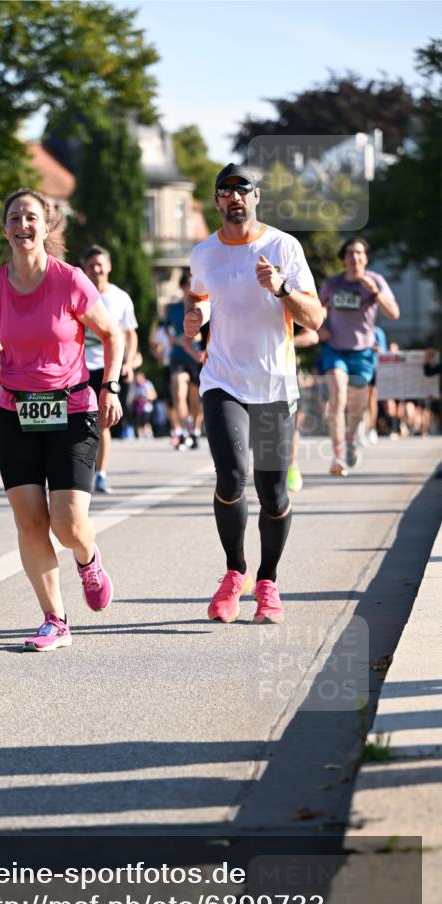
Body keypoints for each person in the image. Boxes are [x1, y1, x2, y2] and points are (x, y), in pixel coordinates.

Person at [0, 189, 124, 651]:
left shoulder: (70, 280)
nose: (23, 225)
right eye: (15, 217)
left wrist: (110, 385)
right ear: (5, 229)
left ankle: (88, 557)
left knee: (68, 524)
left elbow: (111, 334)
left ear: (46, 226)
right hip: (14, 411)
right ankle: (55, 619)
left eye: (31, 217)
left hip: (71, 408)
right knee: (31, 521)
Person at [184, 163, 323, 624]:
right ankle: (234, 572)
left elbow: (315, 318)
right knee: (230, 477)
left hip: (273, 384)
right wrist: (196, 317)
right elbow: (199, 296)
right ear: (217, 201)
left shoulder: (283, 247)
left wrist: (281, 288)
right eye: (225, 191)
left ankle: (267, 581)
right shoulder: (204, 252)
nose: (234, 197)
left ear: (256, 196)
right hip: (222, 380)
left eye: (242, 189)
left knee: (273, 493)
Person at [318, 237, 399, 475]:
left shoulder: (376, 281)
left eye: (359, 253)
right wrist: (320, 327)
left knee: (357, 407)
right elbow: (318, 309)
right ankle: (338, 456)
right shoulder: (333, 283)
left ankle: (352, 437)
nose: (354, 257)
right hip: (334, 349)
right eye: (350, 253)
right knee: (338, 397)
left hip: (363, 353)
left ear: (366, 257)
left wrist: (375, 293)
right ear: (343, 258)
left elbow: (394, 313)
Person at [80, 245, 138, 493]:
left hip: (107, 368)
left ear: (109, 266)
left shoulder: (120, 297)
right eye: (91, 265)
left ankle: (100, 474)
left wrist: (128, 362)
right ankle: (79, 472)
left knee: (101, 422)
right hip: (79, 368)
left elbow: (130, 334)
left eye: (100, 264)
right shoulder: (77, 294)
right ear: (84, 269)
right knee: (79, 423)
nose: (96, 269)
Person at [166, 270, 204, 450]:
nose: (191, 287)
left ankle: (195, 430)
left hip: (196, 357)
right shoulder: (173, 309)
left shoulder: (202, 305)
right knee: (179, 393)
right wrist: (173, 338)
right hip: (178, 357)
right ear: (182, 286)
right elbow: (167, 329)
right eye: (188, 284)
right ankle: (183, 431)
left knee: (195, 398)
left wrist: (193, 339)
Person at [286, 327, 320, 494]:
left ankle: (292, 466)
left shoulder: (285, 310)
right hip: (246, 374)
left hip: (286, 372)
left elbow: (312, 336)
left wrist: (285, 342)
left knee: (293, 424)